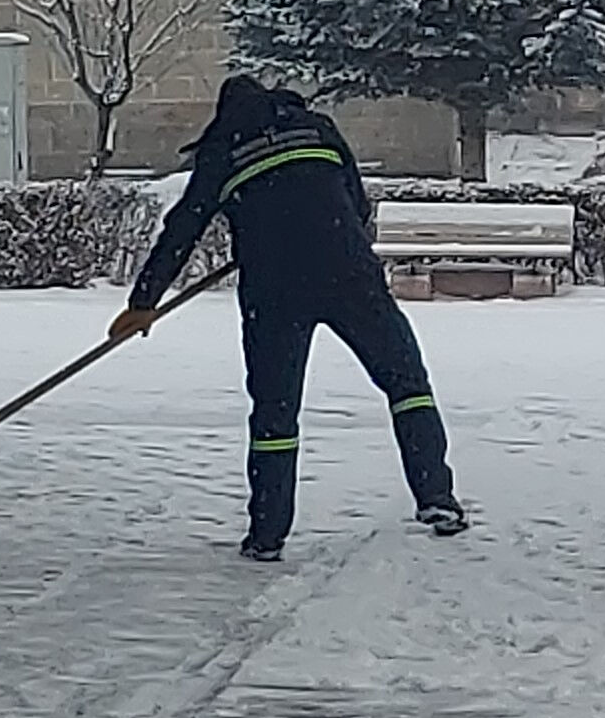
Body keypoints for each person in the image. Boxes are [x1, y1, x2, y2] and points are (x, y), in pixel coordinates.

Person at [115, 75, 469, 556]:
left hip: (274, 288)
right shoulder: (318, 128)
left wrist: (143, 302)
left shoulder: (223, 150)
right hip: (350, 272)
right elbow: (357, 202)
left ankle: (267, 535)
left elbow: (185, 225)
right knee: (406, 383)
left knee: (275, 413)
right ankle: (437, 498)